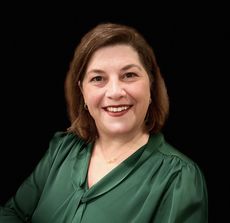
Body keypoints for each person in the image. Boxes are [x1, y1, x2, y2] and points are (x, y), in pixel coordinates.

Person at [0, 22, 208, 223]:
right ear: (82, 91)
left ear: (151, 86)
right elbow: (12, 213)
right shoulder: (61, 149)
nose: (115, 92)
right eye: (98, 78)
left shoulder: (179, 177)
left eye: (129, 75)